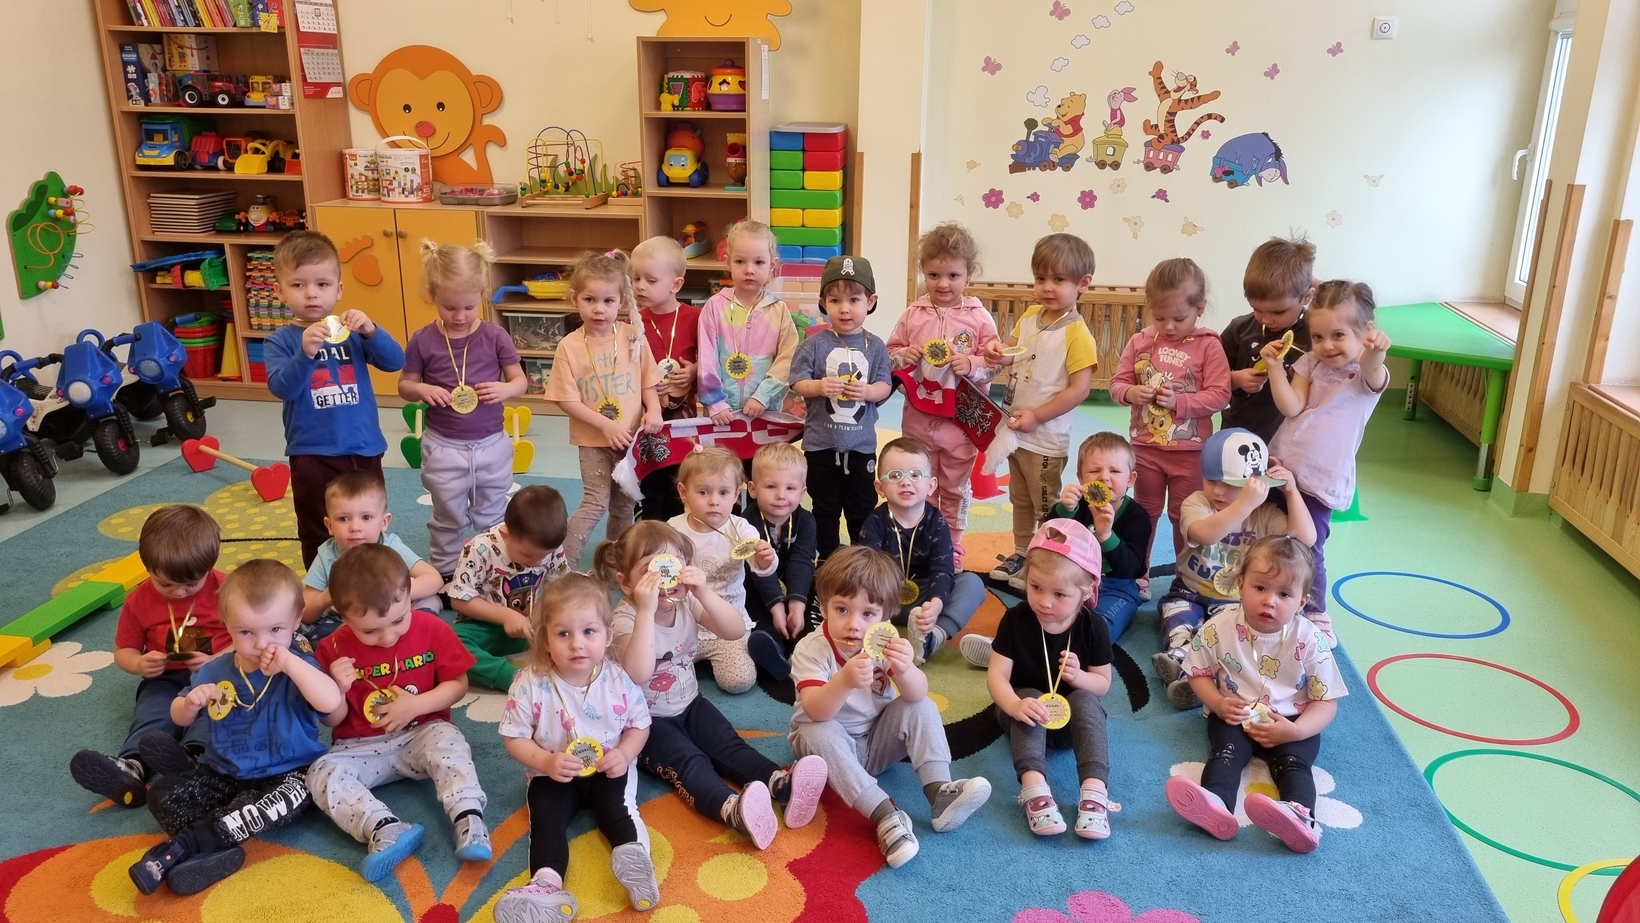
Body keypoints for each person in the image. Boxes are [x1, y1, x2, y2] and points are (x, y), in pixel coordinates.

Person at [600, 521, 828, 848]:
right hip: (644, 724)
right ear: (625, 583)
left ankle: (781, 783)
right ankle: (732, 809)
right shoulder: (626, 618)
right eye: (651, 570)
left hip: (690, 703)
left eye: (672, 566)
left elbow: (734, 630)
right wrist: (647, 611)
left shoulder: (686, 602)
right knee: (689, 761)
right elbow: (638, 672)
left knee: (727, 744)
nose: (664, 578)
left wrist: (703, 592)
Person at [128, 561, 342, 896]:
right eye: (246, 633)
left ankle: (183, 847)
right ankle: (215, 850)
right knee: (162, 795)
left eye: (276, 630)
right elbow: (178, 716)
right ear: (226, 625)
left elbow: (330, 701)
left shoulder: (300, 665)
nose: (261, 644)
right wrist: (189, 704)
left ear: (296, 621)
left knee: (270, 805)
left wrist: (289, 662)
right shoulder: (215, 670)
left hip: (290, 774)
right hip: (225, 771)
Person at [788, 546, 991, 868]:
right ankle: (885, 814)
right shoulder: (811, 649)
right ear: (823, 606)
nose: (854, 624)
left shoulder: (884, 645)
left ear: (886, 615)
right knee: (816, 730)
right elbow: (815, 711)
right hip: (826, 751)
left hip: (874, 743)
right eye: (842, 609)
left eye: (868, 614)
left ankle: (939, 791)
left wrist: (905, 669)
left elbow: (916, 695)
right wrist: (843, 681)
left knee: (921, 704)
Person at [308, 544, 489, 881]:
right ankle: (385, 826)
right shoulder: (331, 648)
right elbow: (332, 720)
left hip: (422, 732)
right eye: (369, 630)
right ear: (341, 615)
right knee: (321, 772)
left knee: (450, 743)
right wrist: (337, 690)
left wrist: (417, 705)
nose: (387, 636)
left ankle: (469, 818)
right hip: (359, 746)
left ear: (409, 595)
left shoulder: (432, 628)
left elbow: (458, 685)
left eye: (398, 620)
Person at [1164, 536, 1346, 854]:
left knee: (1294, 764)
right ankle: (1215, 803)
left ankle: (1300, 815)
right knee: (1225, 753)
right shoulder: (1219, 626)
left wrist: (1297, 731)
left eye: (1284, 594)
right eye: (1260, 588)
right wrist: (1217, 703)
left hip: (1293, 720)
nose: (1269, 601)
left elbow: (1326, 701)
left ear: (1301, 602)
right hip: (1234, 713)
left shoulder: (1310, 639)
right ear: (1240, 585)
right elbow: (1198, 672)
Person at [493, 574, 659, 923]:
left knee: (620, 811)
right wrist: (545, 761)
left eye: (589, 631)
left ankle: (635, 858)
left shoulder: (618, 679)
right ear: (545, 639)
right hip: (552, 773)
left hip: (608, 767)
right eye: (563, 634)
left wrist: (625, 754)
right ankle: (545, 886)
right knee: (546, 822)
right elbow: (514, 737)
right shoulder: (529, 683)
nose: (577, 645)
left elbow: (639, 725)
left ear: (608, 635)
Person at [70, 505, 229, 809]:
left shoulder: (228, 589)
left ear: (209, 568)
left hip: (219, 675)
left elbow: (250, 637)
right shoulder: (138, 601)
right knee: (152, 717)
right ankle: (131, 768)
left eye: (191, 584)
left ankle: (193, 760)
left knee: (213, 714)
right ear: (148, 569)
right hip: (165, 678)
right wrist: (139, 663)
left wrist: (217, 658)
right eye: (165, 584)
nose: (179, 593)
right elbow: (123, 652)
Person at [264, 230, 405, 567]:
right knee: (318, 524)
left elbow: (395, 361)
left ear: (339, 290)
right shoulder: (280, 341)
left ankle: (370, 575)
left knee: (367, 520)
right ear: (279, 290)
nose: (311, 293)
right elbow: (282, 387)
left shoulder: (353, 332)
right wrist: (305, 353)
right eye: (298, 285)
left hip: (363, 446)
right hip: (312, 451)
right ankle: (321, 585)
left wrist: (371, 330)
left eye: (323, 284)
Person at [1153, 428, 1315, 709]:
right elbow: (1205, 534)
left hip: (1235, 602)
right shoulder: (1197, 502)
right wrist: (1243, 502)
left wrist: (1291, 492)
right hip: (1189, 591)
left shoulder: (1264, 515)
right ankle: (1182, 659)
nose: (1218, 491)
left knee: (1227, 636)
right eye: (1211, 480)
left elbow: (1305, 539)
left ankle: (1193, 674)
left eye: (1230, 484)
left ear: (1257, 484)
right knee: (1177, 618)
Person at [1266, 280, 1391, 641]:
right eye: (1318, 337)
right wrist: (1274, 367)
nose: (1327, 345)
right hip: (1282, 464)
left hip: (1319, 480)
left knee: (1309, 547)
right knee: (1264, 534)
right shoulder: (1310, 363)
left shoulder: (1365, 376)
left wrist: (1376, 349)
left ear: (1367, 331)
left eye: (1338, 335)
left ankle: (1316, 612)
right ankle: (1266, 595)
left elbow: (1373, 366)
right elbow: (1291, 407)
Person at [962, 431, 1151, 665]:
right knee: (1040, 608)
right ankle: (1004, 648)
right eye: (1094, 471)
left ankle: (1058, 658)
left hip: (1116, 587)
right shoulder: (1077, 506)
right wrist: (1064, 510)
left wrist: (1106, 536)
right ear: (1081, 477)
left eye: (1114, 471)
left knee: (1100, 624)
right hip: (1068, 580)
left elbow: (1132, 568)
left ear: (1131, 479)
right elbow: (1049, 539)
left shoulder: (1137, 517)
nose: (1104, 477)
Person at [399, 239, 529, 578]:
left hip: (491, 445)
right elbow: (404, 385)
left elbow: (520, 380)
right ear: (432, 296)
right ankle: (444, 573)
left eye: (469, 307)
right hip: (444, 447)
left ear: (482, 295)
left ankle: (494, 569)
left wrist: (505, 388)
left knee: (493, 515)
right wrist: (422, 389)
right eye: (449, 307)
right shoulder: (423, 339)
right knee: (448, 517)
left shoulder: (495, 336)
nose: (460, 316)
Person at [986, 520, 1114, 839]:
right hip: (1021, 715)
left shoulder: (1093, 627)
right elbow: (997, 676)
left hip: (1071, 724)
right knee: (1029, 693)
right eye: (1035, 587)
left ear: (1086, 593)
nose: (1044, 601)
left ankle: (1095, 792)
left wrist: (1080, 677)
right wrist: (1014, 705)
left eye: (1059, 594)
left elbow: (1103, 683)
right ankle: (1035, 789)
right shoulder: (1015, 619)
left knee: (1086, 699)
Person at [984, 234, 1098, 589]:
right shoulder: (1031, 315)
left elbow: (1079, 389)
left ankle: (1047, 561)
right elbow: (1012, 352)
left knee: (1045, 504)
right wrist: (996, 352)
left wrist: (1037, 416)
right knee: (1019, 498)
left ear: (1083, 283)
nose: (1047, 287)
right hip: (1015, 430)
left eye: (1058, 279)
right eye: (1040, 278)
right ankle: (1023, 553)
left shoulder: (1078, 334)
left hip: (1045, 439)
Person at [1109, 258, 1232, 571]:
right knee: (1144, 513)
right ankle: (1139, 571)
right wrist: (1131, 393)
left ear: (1200, 308)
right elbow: (1117, 384)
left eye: (1179, 318)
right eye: (1159, 317)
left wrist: (1180, 402)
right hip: (1145, 449)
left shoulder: (1208, 345)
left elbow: (1220, 394)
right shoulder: (1140, 341)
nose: (1169, 326)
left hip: (1189, 453)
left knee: (1185, 515)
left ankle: (1185, 574)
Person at [546, 250, 664, 566]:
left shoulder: (632, 336)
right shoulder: (569, 346)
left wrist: (654, 409)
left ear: (621, 301)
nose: (599, 309)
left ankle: (614, 565)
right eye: (590, 300)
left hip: (630, 440)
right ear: (575, 299)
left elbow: (648, 380)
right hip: (593, 441)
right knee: (595, 503)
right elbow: (565, 399)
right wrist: (605, 425)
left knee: (624, 507)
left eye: (608, 301)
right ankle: (561, 566)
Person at [889, 223, 1000, 556]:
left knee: (954, 486)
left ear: (969, 274)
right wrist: (903, 355)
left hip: (959, 423)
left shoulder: (979, 318)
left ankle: (951, 545)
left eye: (953, 275)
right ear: (923, 272)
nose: (943, 284)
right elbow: (890, 353)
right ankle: (919, 539)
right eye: (934, 275)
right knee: (917, 481)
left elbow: (997, 361)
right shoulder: (913, 314)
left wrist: (974, 364)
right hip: (918, 418)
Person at [789, 255, 893, 559]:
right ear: (823, 303)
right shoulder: (813, 344)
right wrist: (819, 386)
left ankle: (861, 559)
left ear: (870, 302)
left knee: (862, 507)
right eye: (835, 300)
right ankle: (827, 558)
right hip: (820, 445)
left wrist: (869, 391)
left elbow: (885, 385)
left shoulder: (876, 346)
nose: (844, 309)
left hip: (860, 446)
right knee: (825, 507)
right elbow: (797, 382)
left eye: (854, 300)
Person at [858, 437, 987, 664]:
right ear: (880, 487)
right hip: (884, 598)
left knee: (972, 584)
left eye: (916, 475)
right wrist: (879, 606)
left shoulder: (937, 522)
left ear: (931, 485)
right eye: (895, 476)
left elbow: (942, 568)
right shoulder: (875, 522)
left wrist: (936, 604)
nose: (906, 482)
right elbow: (871, 571)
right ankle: (878, 635)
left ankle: (932, 638)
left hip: (925, 600)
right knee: (854, 576)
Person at [669, 447, 778, 695]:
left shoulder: (742, 529)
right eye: (703, 492)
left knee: (738, 681)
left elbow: (762, 568)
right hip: (683, 623)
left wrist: (765, 559)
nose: (714, 501)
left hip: (728, 622)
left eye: (724, 492)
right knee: (659, 679)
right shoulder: (672, 530)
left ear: (737, 494)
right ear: (684, 492)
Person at [449, 485, 571, 691]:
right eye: (527, 555)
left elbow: (560, 590)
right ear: (506, 534)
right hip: (482, 628)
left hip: (530, 628)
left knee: (574, 628)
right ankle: (512, 677)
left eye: (543, 556)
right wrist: (506, 616)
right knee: (449, 642)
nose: (537, 562)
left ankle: (565, 671)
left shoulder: (551, 548)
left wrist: (541, 617)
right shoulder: (479, 549)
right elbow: (459, 600)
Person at [300, 471, 444, 642]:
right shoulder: (327, 555)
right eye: (343, 519)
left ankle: (415, 635)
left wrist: (396, 595)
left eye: (366, 517)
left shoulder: (390, 546)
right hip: (348, 620)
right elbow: (304, 611)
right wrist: (325, 598)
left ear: (384, 522)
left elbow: (434, 579)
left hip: (393, 614)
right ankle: (350, 640)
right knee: (295, 626)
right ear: (329, 525)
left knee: (430, 600)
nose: (355, 527)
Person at [697, 220, 799, 441]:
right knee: (722, 462)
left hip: (765, 413)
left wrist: (763, 396)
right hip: (722, 415)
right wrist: (715, 403)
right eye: (740, 261)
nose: (749, 270)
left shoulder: (779, 310)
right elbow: (706, 359)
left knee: (763, 462)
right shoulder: (714, 307)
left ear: (772, 265)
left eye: (759, 262)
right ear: (728, 262)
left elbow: (787, 360)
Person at [1220, 237, 1320, 444]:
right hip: (1238, 434)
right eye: (1256, 309)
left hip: (1291, 444)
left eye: (1278, 311)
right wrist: (1236, 379)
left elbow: (1351, 308)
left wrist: (1319, 284)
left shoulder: (1317, 334)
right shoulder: (1239, 329)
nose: (1266, 319)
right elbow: (1207, 378)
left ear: (1307, 296)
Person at [632, 235, 702, 523]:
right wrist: (646, 385)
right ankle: (648, 537)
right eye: (636, 278)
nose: (640, 286)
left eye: (650, 280)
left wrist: (694, 370)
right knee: (649, 488)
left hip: (685, 422)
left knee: (679, 484)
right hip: (647, 421)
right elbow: (626, 368)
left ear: (676, 284)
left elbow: (712, 359)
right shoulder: (633, 322)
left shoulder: (696, 317)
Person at [742, 442, 818, 680]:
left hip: (796, 586)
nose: (781, 495)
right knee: (752, 608)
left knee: (817, 596)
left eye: (790, 488)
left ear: (802, 493)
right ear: (753, 489)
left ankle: (807, 641)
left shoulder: (806, 521)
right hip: (758, 588)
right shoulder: (745, 523)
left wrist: (797, 604)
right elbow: (755, 571)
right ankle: (771, 645)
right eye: (771, 486)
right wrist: (776, 607)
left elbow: (802, 562)